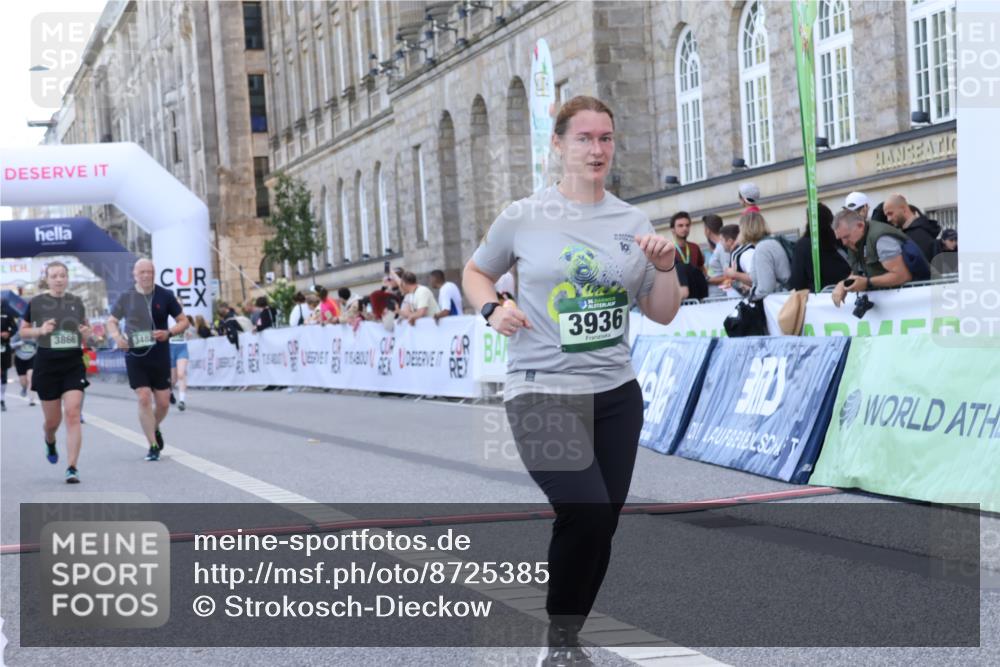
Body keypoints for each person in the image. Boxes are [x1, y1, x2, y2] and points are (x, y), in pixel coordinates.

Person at [462, 95, 682, 666]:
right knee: (583, 510)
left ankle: (564, 640)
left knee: (602, 522)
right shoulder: (523, 215)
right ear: (557, 145)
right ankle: (559, 642)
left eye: (605, 138)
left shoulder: (632, 222)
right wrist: (491, 309)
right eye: (583, 138)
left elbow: (662, 312)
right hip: (541, 389)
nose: (597, 149)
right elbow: (476, 272)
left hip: (614, 393)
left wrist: (665, 267)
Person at [107, 258, 189, 462]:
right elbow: (112, 321)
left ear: (154, 273)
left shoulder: (165, 295)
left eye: (149, 272)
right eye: (141, 272)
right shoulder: (127, 296)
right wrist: (118, 338)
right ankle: (152, 445)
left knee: (163, 403)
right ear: (135, 275)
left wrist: (169, 332)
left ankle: (154, 425)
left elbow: (184, 321)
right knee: (143, 397)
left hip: (160, 354)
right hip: (135, 356)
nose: (145, 275)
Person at [19, 262, 91, 483]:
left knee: (72, 413)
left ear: (67, 278)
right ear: (47, 279)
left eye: (62, 275)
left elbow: (86, 332)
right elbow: (23, 331)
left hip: (72, 364)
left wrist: (86, 333)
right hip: (47, 366)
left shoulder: (77, 302)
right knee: (53, 422)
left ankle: (72, 467)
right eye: (54, 276)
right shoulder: (36, 302)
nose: (59, 279)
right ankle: (50, 440)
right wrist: (40, 330)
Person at [831, 209, 913, 308]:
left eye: (846, 237)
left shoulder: (881, 239)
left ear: (860, 226)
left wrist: (867, 283)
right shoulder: (855, 241)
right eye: (840, 239)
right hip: (891, 304)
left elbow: (903, 275)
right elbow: (859, 269)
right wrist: (844, 284)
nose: (844, 243)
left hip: (907, 303)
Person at [789, 203, 851, 292]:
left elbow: (797, 282)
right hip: (847, 292)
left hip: (818, 298)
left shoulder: (802, 246)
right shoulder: (838, 240)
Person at [882, 194, 941, 262]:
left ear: (903, 209)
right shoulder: (911, 232)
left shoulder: (919, 234)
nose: (888, 219)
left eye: (890, 213)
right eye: (886, 215)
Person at [702, 214, 730, 297]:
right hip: (717, 295)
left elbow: (729, 276)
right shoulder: (719, 247)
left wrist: (707, 279)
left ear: (708, 230)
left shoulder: (721, 247)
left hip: (721, 295)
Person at [12, 328, 39, 406]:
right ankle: (24, 388)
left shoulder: (35, 333)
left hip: (32, 357)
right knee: (23, 381)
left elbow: (40, 345)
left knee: (30, 377)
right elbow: (10, 344)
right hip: (20, 359)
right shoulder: (18, 334)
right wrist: (19, 343)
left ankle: (32, 400)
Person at [169, 322, 192, 411]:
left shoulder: (183, 319)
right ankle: (170, 392)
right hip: (170, 348)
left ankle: (182, 401)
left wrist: (188, 333)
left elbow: (189, 332)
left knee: (181, 374)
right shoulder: (167, 317)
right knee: (173, 380)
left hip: (182, 348)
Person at [1, 301, 17, 412]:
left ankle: (2, 399)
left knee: (3, 373)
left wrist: (8, 334)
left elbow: (14, 328)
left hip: (4, 346)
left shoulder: (7, 312)